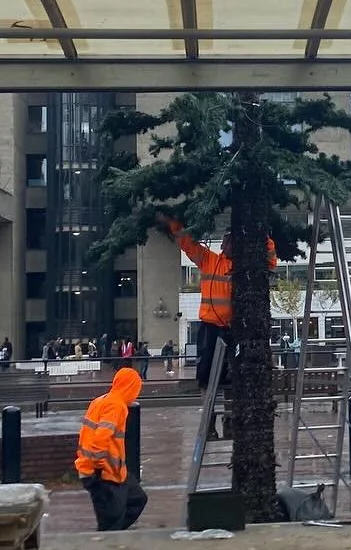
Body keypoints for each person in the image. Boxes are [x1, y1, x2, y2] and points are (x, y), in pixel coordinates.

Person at [162, 217, 276, 392]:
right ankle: (207, 391)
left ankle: (224, 392)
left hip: (232, 326)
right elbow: (187, 243)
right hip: (211, 326)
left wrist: (265, 239)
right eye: (226, 241)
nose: (226, 243)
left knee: (232, 367)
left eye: (229, 241)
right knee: (206, 367)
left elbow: (270, 263)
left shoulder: (242, 265)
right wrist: (173, 223)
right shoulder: (210, 260)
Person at [74, 366, 147, 532]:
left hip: (110, 472)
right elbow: (101, 439)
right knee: (111, 521)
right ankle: (110, 545)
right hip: (104, 473)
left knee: (136, 498)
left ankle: (115, 534)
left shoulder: (101, 401)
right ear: (131, 388)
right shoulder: (116, 406)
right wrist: (99, 469)